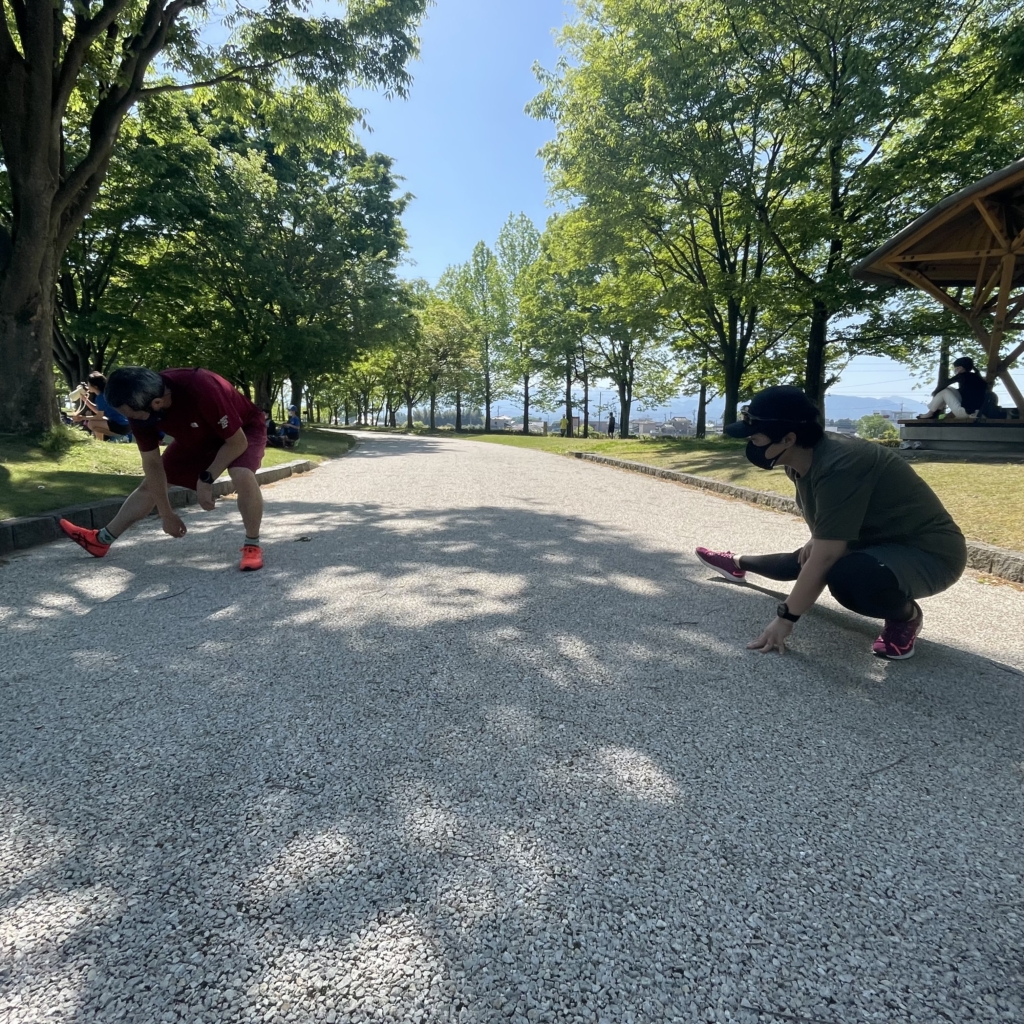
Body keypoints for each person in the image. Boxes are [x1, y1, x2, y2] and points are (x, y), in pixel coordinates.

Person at [695, 385, 966, 660]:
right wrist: (817, 543)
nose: (751, 444)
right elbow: (826, 538)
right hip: (872, 542)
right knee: (807, 558)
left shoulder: (841, 463)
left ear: (788, 438)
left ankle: (906, 617)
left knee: (848, 575)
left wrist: (785, 619)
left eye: (756, 438)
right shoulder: (798, 462)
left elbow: (826, 558)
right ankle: (736, 562)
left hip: (928, 553)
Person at [58, 366, 268, 572]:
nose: (133, 421)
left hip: (243, 429)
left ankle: (252, 544)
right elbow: (152, 464)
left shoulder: (201, 386)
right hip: (196, 437)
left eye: (135, 416)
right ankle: (101, 540)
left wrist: (207, 478)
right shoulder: (137, 408)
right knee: (150, 485)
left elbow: (237, 443)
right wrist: (166, 514)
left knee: (241, 473)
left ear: (157, 403)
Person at [917, 356, 988, 420]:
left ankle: (930, 414)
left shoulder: (962, 376)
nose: (955, 370)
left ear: (960, 368)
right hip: (978, 412)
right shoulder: (978, 378)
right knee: (950, 390)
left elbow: (944, 384)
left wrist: (935, 393)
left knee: (945, 391)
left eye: (956, 368)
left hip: (965, 413)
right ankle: (933, 414)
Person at [71, 372, 132, 440]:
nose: (87, 386)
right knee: (93, 424)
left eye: (89, 384)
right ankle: (102, 441)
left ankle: (118, 437)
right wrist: (84, 399)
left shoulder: (101, 397)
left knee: (92, 424)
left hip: (121, 426)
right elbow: (97, 410)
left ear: (95, 386)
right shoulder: (105, 394)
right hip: (125, 425)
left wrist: (83, 418)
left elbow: (99, 416)